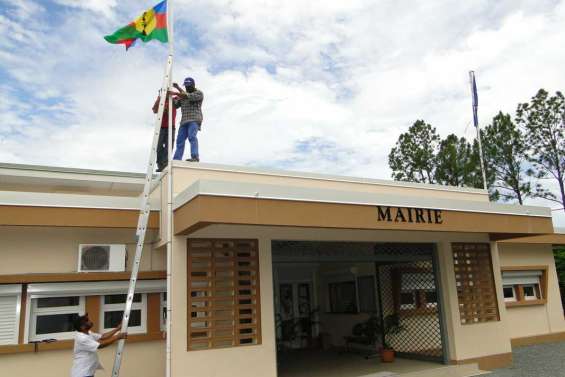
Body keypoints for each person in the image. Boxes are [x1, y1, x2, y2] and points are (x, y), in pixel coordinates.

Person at [170, 77, 203, 162]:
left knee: (192, 137)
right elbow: (176, 105)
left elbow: (188, 96)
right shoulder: (182, 96)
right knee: (180, 141)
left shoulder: (199, 93)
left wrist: (176, 91)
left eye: (189, 86)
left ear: (193, 85)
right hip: (184, 121)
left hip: (194, 119)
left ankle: (195, 157)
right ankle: (177, 159)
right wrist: (169, 98)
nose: (187, 87)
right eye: (186, 86)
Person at [152, 90, 177, 172]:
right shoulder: (160, 100)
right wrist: (159, 98)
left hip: (171, 127)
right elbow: (155, 110)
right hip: (161, 127)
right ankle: (160, 163)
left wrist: (173, 93)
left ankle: (165, 163)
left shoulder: (173, 100)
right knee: (158, 146)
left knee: (169, 146)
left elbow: (183, 96)